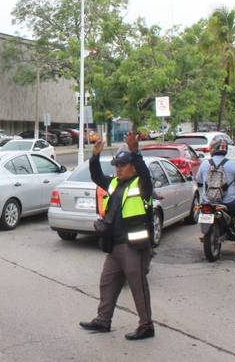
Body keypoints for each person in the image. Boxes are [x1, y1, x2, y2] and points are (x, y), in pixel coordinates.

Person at [80, 132, 155, 340]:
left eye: (123, 165)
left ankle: (146, 325)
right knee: (107, 283)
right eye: (117, 165)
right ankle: (103, 320)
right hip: (114, 246)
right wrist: (94, 156)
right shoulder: (113, 183)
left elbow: (145, 173)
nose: (118, 168)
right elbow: (96, 176)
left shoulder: (141, 185)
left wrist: (136, 152)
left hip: (134, 246)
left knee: (138, 287)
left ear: (132, 167)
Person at [194, 137, 235, 241]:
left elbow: (198, 179)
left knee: (202, 207)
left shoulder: (205, 164)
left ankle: (206, 232)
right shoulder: (231, 164)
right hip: (227, 201)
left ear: (213, 149)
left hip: (207, 200)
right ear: (225, 149)